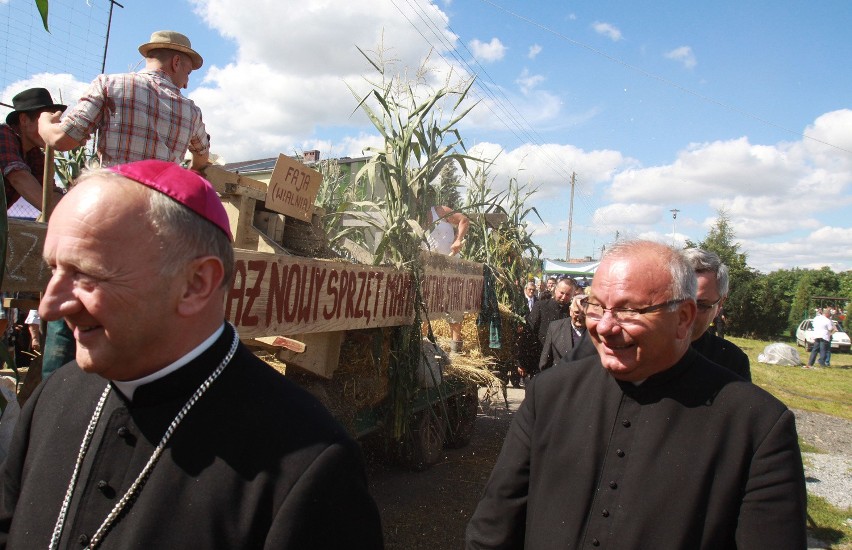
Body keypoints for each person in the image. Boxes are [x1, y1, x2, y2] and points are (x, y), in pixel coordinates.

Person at [0, 160, 383, 549]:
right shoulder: (54, 398)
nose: (49, 306)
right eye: (53, 270)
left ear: (196, 284)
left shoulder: (309, 465)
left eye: (87, 274)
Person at [466, 240, 806, 549]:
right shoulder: (550, 392)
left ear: (683, 317)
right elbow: (493, 528)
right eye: (596, 306)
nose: (604, 326)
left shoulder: (757, 426)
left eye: (630, 311)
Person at [38, 30, 210, 170]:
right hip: (161, 207)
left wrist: (44, 121)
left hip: (114, 200)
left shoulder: (108, 84)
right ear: (176, 62)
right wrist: (190, 171)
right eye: (188, 73)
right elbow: (202, 158)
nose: (186, 84)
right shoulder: (192, 111)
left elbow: (60, 140)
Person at [681, 248, 750, 381]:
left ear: (720, 304)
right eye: (675, 301)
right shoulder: (637, 353)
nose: (684, 315)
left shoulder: (731, 362)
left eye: (700, 305)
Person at [1, 88, 66, 210]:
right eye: (45, 121)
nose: (52, 127)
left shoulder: (35, 155)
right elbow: (18, 177)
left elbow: (49, 193)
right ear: (24, 120)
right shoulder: (3, 135)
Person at [425, 204, 470, 352]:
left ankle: (456, 351)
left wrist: (458, 239)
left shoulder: (439, 211)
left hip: (450, 266)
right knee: (424, 308)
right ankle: (423, 347)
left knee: (454, 307)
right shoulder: (412, 214)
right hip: (428, 268)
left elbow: (464, 219)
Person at [519, 278, 577, 379]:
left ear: (572, 295)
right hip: (538, 361)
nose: (564, 297)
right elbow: (528, 333)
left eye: (568, 295)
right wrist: (522, 362)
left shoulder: (572, 313)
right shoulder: (541, 306)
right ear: (555, 290)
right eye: (561, 293)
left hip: (561, 365)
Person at [537, 293, 586, 371]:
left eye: (584, 314)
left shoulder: (595, 331)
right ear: (570, 311)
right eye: (576, 312)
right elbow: (545, 359)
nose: (580, 317)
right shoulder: (555, 327)